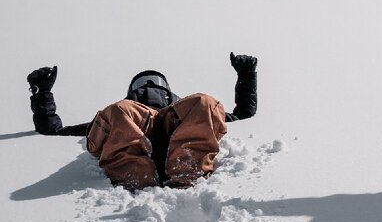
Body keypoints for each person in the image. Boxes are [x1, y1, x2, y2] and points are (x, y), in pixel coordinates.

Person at [26, 53, 258, 191]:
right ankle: (133, 173)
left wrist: (247, 75)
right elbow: (53, 131)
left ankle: (187, 169)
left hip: (173, 129)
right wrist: (41, 92)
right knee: (119, 110)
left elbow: (240, 115)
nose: (150, 87)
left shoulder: (182, 109)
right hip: (129, 128)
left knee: (205, 102)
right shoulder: (123, 112)